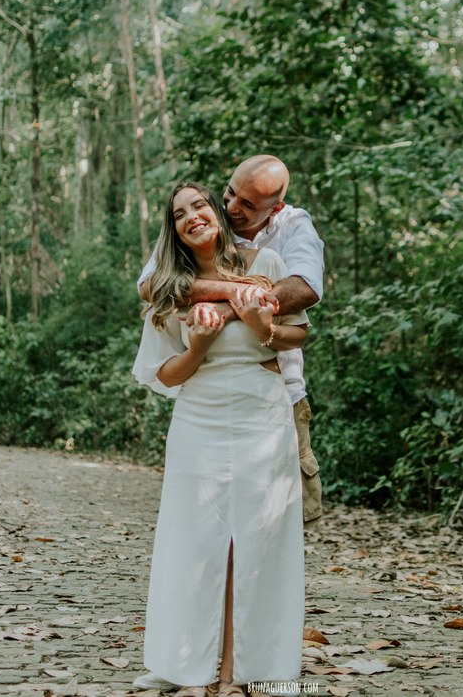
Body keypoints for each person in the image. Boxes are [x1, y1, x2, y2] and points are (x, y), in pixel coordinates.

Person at [132, 183, 309, 694]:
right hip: (199, 419)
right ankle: (186, 668)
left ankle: (240, 673)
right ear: (174, 229)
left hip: (262, 414)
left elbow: (301, 332)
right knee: (195, 543)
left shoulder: (267, 262)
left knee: (256, 544)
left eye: (200, 205)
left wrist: (263, 326)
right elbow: (164, 373)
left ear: (217, 211)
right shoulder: (170, 285)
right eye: (179, 213)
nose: (192, 216)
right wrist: (200, 346)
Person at [138, 155, 325, 526]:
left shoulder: (291, 229)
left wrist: (225, 311)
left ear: (276, 208)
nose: (232, 207)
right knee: (211, 521)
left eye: (248, 204)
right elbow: (152, 286)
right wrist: (236, 290)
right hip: (207, 403)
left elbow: (304, 288)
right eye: (229, 193)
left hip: (279, 391)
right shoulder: (202, 217)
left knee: (278, 520)